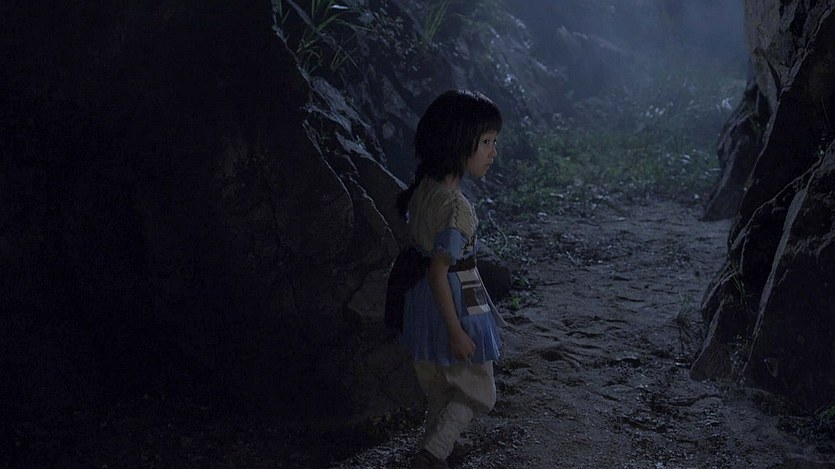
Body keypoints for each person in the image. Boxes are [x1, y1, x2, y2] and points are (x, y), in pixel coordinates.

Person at [395, 89, 505, 469]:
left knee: (443, 386)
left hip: (422, 304)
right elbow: (440, 271)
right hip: (457, 301)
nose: (493, 152)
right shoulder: (457, 208)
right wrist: (457, 331)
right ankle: (433, 453)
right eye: (487, 142)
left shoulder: (424, 190)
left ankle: (437, 447)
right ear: (459, 143)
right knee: (479, 389)